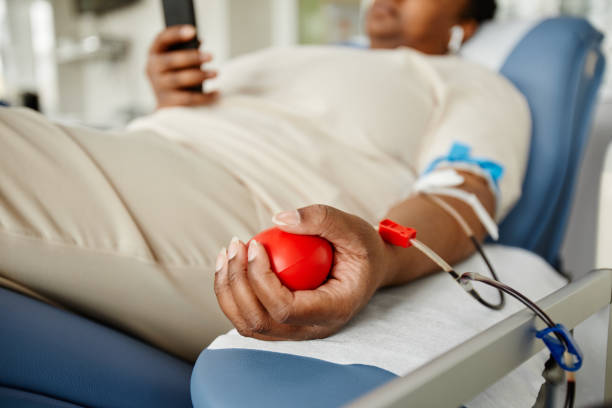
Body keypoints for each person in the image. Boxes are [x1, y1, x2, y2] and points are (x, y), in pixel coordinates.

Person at [0, 0, 530, 362]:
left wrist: (380, 254)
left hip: (244, 202)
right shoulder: (293, 57)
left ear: (467, 22)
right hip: (150, 151)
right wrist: (170, 99)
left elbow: (462, 195)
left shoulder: (470, 82)